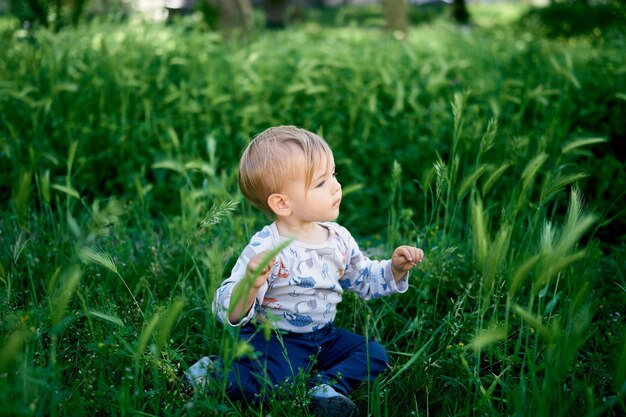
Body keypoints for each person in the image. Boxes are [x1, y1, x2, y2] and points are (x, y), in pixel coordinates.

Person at [185, 126, 424, 417]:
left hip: (324, 336)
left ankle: (323, 389)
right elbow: (227, 309)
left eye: (334, 175)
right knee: (273, 388)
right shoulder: (267, 246)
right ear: (282, 203)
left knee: (374, 354)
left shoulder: (338, 237)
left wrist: (394, 269)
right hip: (275, 338)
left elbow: (362, 279)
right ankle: (214, 373)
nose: (336, 186)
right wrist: (251, 282)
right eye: (321, 183)